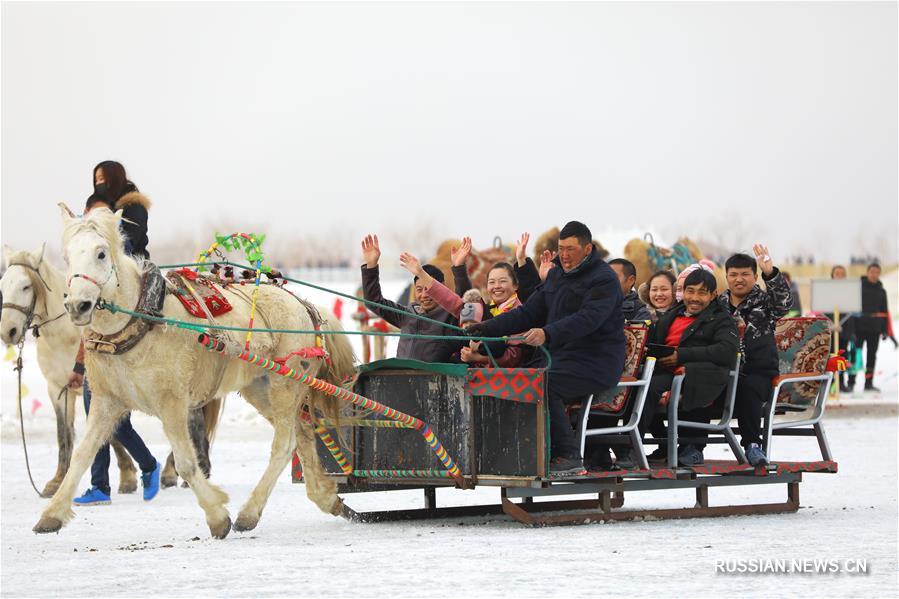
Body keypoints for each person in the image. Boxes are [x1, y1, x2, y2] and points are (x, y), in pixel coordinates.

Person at [465, 221, 625, 476]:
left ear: (587, 249)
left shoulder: (603, 280)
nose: (564, 255)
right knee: (518, 379)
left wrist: (548, 333)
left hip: (596, 361)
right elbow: (529, 312)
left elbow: (588, 319)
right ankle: (522, 452)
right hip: (560, 358)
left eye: (571, 249)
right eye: (561, 248)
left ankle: (568, 456)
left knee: (542, 383)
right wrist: (487, 328)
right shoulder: (557, 275)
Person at [68, 161, 161, 506]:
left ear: (116, 179)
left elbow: (129, 245)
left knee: (107, 413)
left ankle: (148, 464)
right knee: (95, 406)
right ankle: (100, 485)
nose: (100, 184)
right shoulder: (98, 214)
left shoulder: (132, 207)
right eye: (95, 181)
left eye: (104, 179)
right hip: (102, 297)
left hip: (128, 291)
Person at [629, 268, 739, 467]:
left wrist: (682, 356)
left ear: (713, 295)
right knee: (633, 386)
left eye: (701, 292)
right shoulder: (673, 314)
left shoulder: (721, 319)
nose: (694, 298)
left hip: (694, 373)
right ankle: (640, 443)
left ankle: (634, 446)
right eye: (690, 291)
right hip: (664, 369)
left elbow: (726, 350)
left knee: (650, 387)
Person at [718, 245, 792, 467]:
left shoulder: (765, 302)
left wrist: (771, 274)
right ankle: (692, 446)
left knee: (747, 388)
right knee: (698, 383)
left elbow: (784, 304)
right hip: (725, 370)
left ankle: (752, 445)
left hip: (759, 371)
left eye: (744, 274)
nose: (739, 279)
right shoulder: (718, 305)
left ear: (754, 276)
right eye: (733, 275)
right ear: (727, 276)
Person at [360, 234, 459, 362]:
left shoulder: (451, 318)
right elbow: (374, 301)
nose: (424, 295)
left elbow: (465, 307)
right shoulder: (406, 314)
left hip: (434, 379)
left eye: (429, 289)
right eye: (419, 289)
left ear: (440, 289)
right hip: (401, 377)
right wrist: (371, 266)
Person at [851, 263, 894, 392]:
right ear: (867, 272)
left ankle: (868, 383)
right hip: (859, 327)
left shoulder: (881, 291)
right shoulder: (859, 288)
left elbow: (884, 311)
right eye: (872, 272)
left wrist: (885, 330)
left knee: (872, 356)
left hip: (874, 328)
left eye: (876, 272)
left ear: (879, 274)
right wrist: (851, 329)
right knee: (855, 354)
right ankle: (851, 381)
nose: (874, 274)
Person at [828, 265, 856, 392]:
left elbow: (851, 311)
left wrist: (850, 331)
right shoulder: (827, 291)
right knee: (832, 356)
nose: (840, 276)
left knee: (843, 356)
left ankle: (841, 382)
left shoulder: (850, 291)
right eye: (837, 273)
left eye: (842, 274)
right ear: (832, 275)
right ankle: (831, 383)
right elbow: (824, 309)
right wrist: (830, 324)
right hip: (831, 329)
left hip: (845, 328)